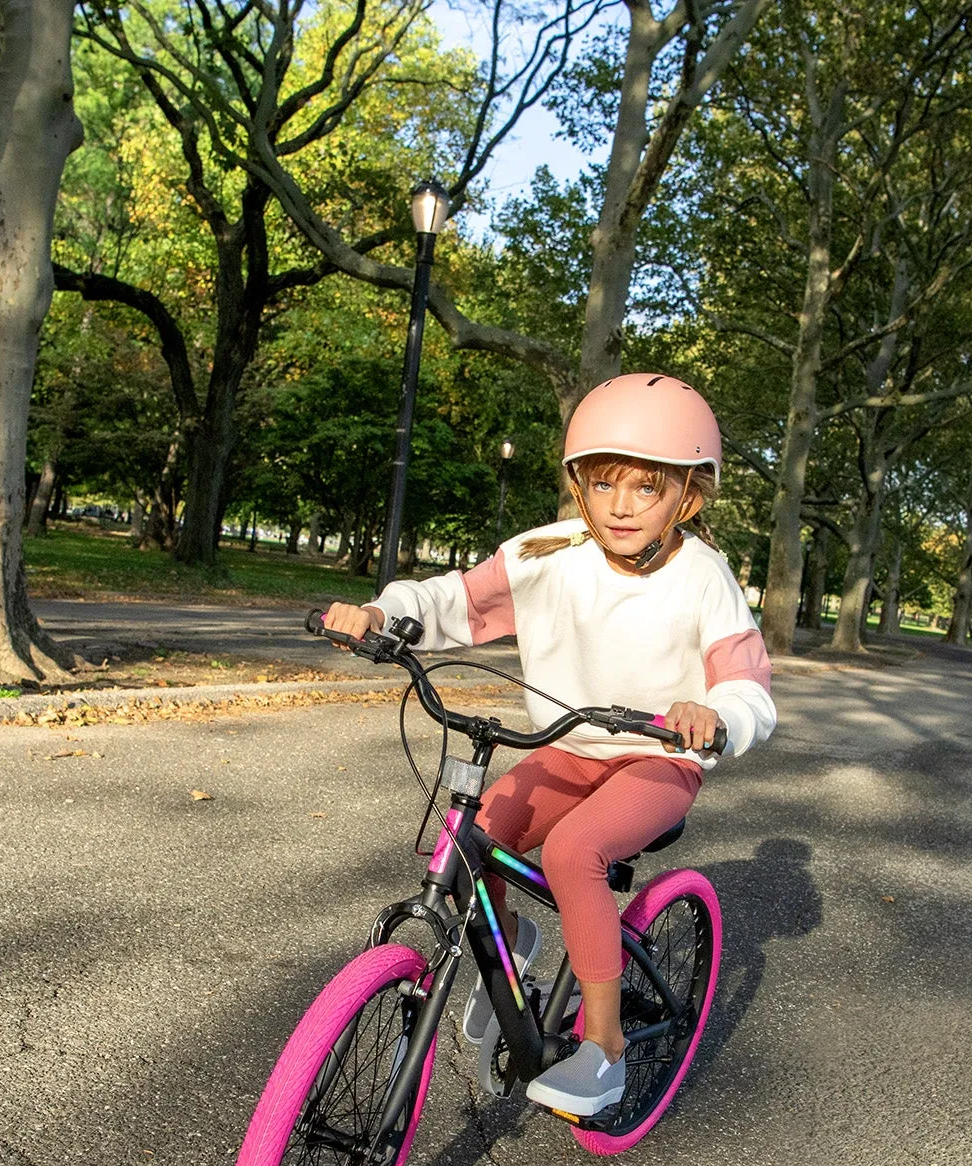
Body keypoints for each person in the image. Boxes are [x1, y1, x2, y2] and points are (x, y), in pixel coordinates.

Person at [322, 373, 776, 1115]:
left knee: (573, 851)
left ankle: (605, 1049)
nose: (621, 505)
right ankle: (516, 948)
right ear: (577, 483)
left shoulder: (702, 576)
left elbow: (748, 683)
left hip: (657, 756)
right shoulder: (546, 552)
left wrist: (715, 712)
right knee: (469, 838)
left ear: (686, 497)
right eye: (603, 484)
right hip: (571, 749)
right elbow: (455, 601)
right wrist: (380, 613)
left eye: (646, 488)